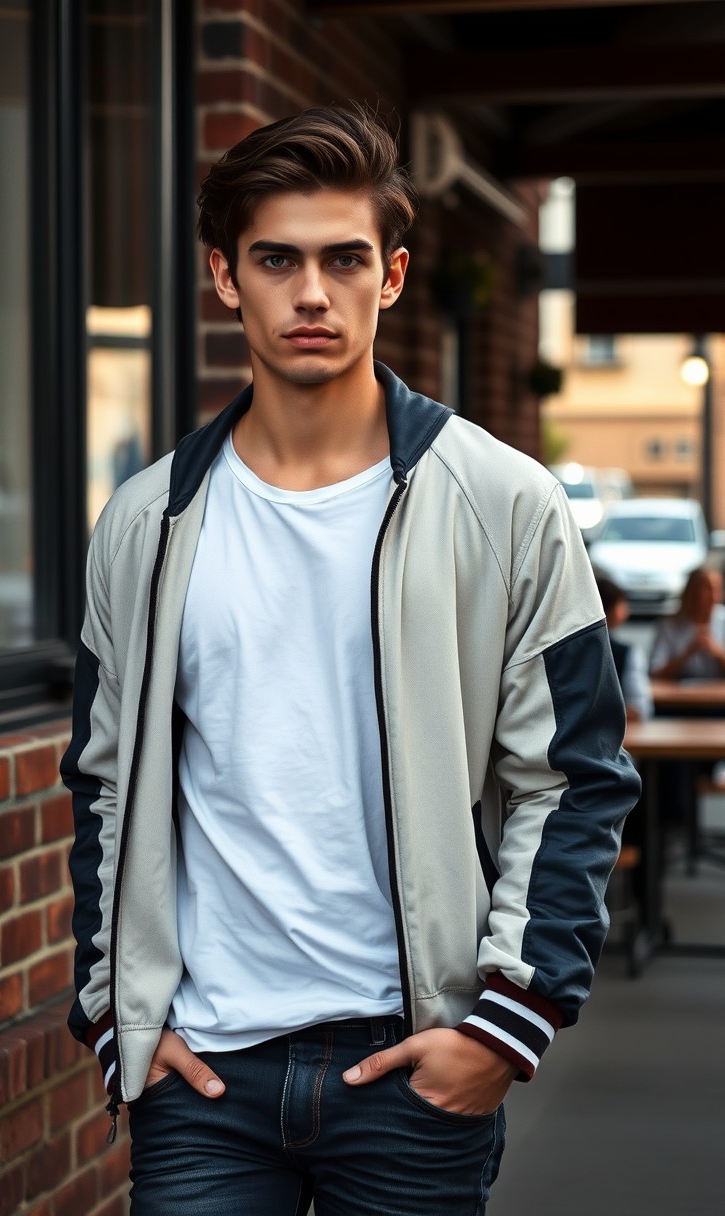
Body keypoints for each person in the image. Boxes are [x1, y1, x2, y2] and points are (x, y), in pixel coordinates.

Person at [61, 103, 640, 1216]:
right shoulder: (145, 523)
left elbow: (572, 778)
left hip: (414, 1060)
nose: (311, 293)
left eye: (343, 259)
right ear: (225, 277)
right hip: (204, 1077)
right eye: (277, 259)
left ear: (393, 276)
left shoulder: (505, 503)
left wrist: (504, 1025)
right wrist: (115, 1014)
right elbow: (101, 779)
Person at [649, 566, 725, 681]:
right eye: (707, 590)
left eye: (717, 590)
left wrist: (718, 654)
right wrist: (687, 654)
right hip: (678, 696)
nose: (714, 596)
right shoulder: (668, 625)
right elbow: (655, 672)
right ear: (691, 593)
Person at [595, 576, 652, 721]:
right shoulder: (629, 654)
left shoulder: (569, 650)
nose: (627, 610)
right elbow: (639, 709)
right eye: (622, 604)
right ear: (609, 608)